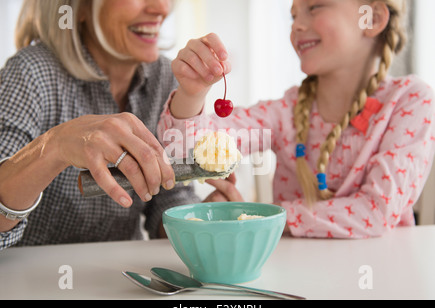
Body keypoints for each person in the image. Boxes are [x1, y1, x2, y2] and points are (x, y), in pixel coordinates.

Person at [158, 0, 435, 238]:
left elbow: (375, 211)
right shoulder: (285, 110)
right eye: (293, 15)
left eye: (314, 7)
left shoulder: (410, 100)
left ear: (371, 18)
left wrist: (256, 218)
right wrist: (192, 94)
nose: (296, 26)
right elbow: (184, 152)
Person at [0, 0, 241, 250]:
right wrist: (54, 146)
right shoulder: (31, 72)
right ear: (80, 7)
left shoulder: (164, 76)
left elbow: (167, 197)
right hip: (30, 281)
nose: (161, 8)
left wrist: (196, 222)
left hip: (122, 278)